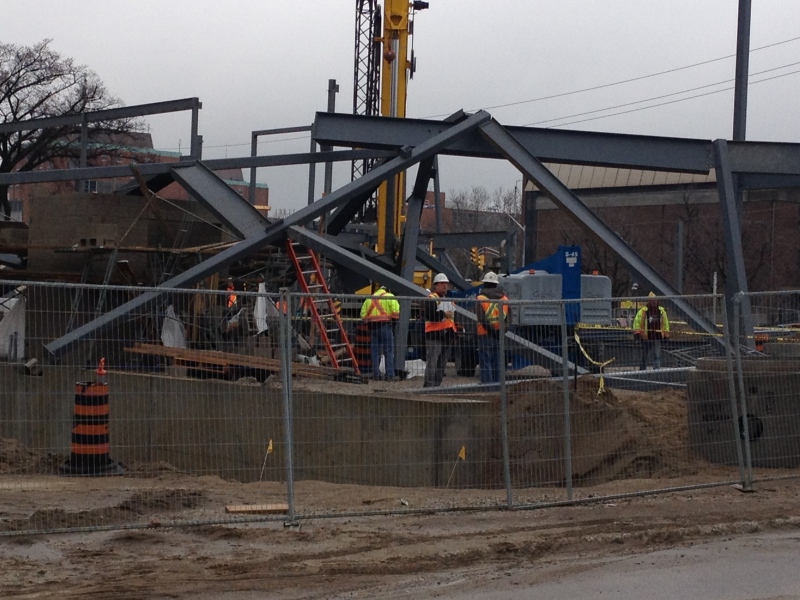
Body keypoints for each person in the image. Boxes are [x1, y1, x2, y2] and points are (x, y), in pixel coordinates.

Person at [360, 284, 400, 380]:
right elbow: (396, 312)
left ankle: (376, 374)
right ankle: (390, 375)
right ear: (387, 290)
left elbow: (363, 315)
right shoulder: (389, 297)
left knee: (375, 351)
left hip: (373, 327)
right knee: (388, 351)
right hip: (385, 326)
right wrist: (393, 320)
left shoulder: (369, 299)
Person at [423, 273, 457, 387]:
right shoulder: (431, 298)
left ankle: (437, 385)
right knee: (432, 362)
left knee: (441, 364)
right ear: (436, 285)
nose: (445, 286)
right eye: (442, 284)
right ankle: (429, 386)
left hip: (447, 336)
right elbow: (430, 315)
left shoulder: (448, 300)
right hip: (434, 335)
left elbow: (452, 320)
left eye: (446, 284)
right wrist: (443, 314)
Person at [475, 271, 509, 384]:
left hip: (485, 334)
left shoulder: (480, 298)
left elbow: (481, 318)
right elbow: (509, 318)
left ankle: (487, 387)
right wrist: (501, 331)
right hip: (499, 335)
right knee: (498, 362)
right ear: (496, 285)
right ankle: (498, 386)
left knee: (485, 362)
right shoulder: (504, 299)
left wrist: (491, 331)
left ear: (484, 284)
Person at [633, 293, 670, 370]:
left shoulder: (662, 312)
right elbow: (637, 322)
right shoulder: (643, 311)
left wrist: (666, 335)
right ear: (649, 300)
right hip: (646, 337)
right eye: (652, 300)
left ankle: (656, 371)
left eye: (655, 300)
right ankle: (642, 370)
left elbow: (665, 324)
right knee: (644, 355)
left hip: (657, 337)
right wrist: (637, 334)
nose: (654, 301)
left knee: (657, 355)